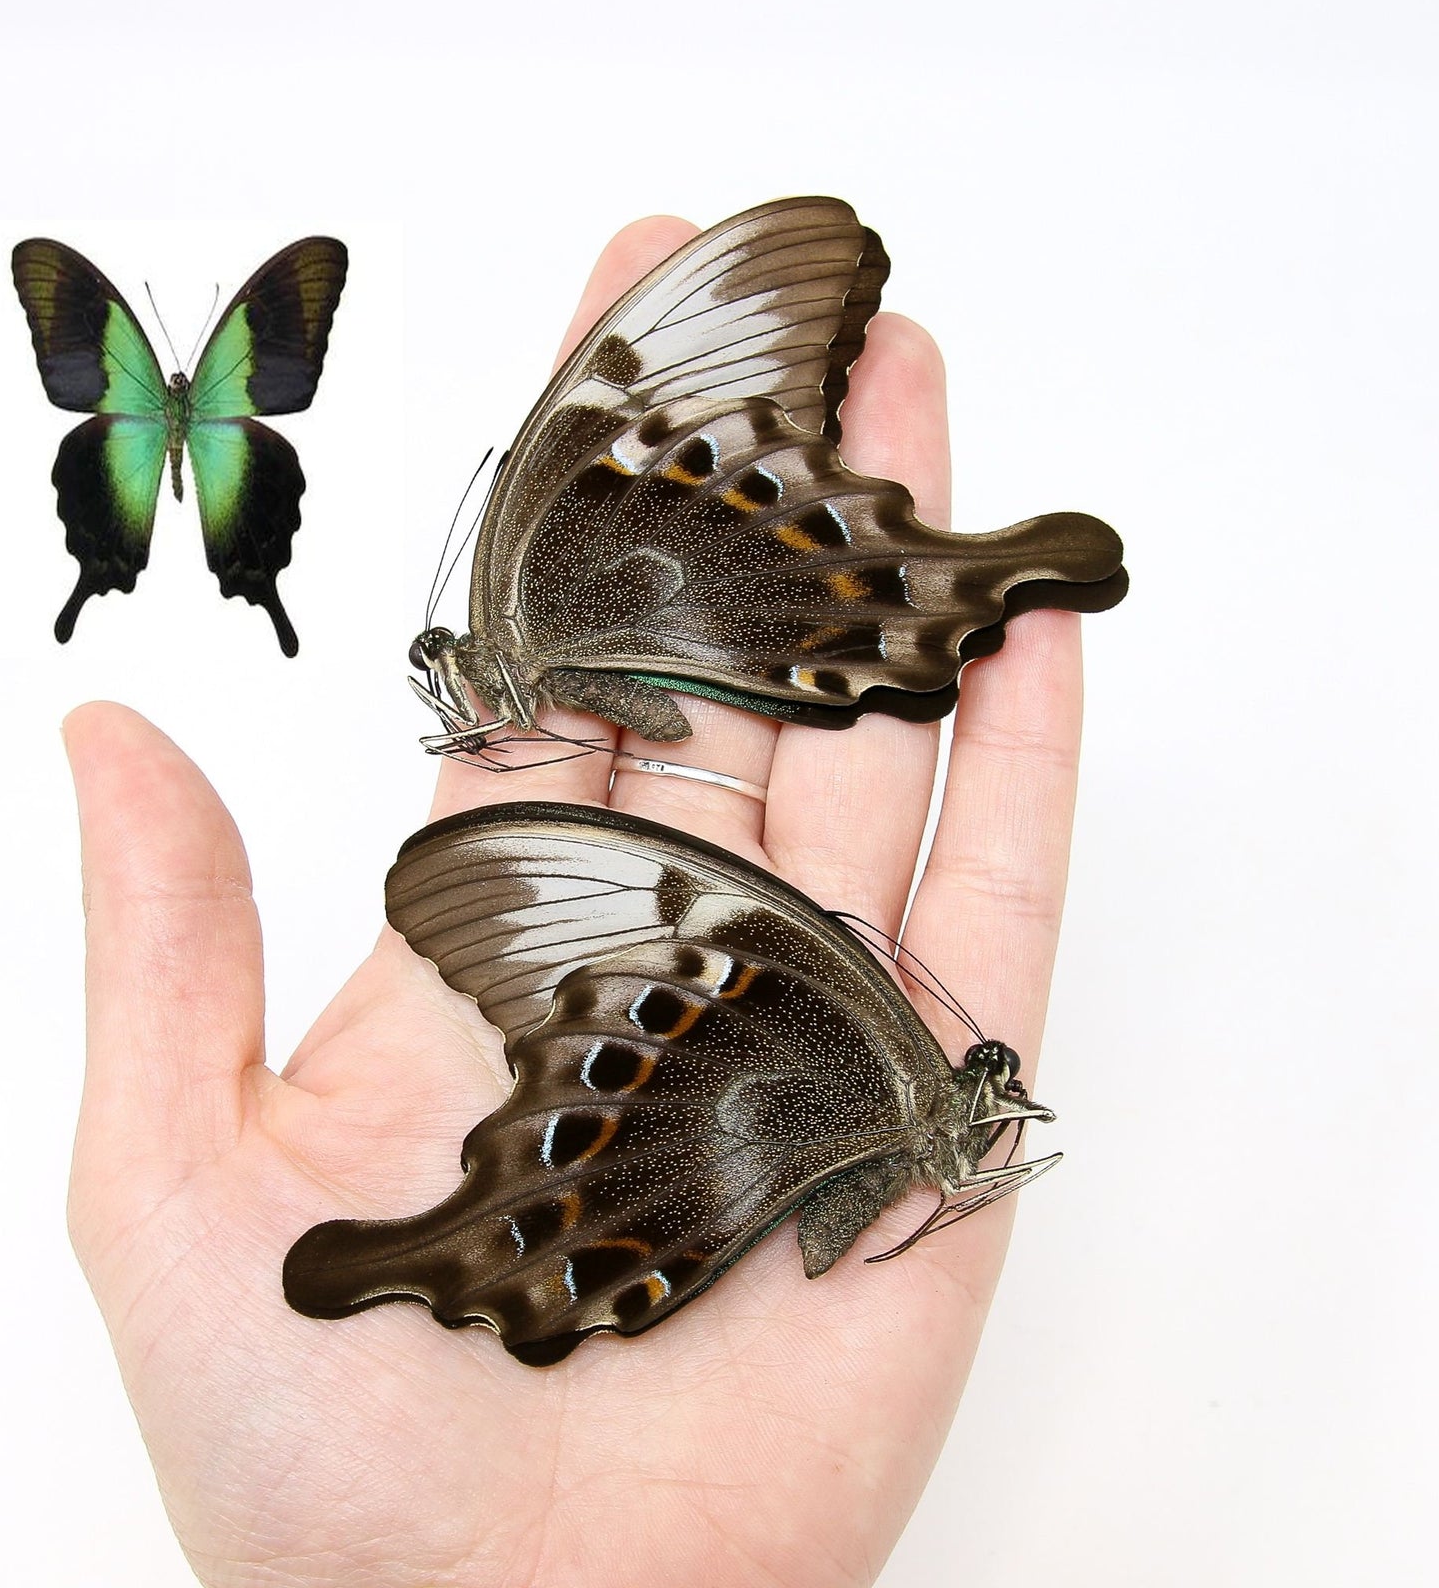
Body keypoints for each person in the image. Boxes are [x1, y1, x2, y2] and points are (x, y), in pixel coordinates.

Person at [62, 214, 1090, 1587]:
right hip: (659, 1158)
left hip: (763, 600)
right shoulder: (874, 1037)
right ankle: (499, 1244)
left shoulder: (888, 1051)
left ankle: (893, 597)